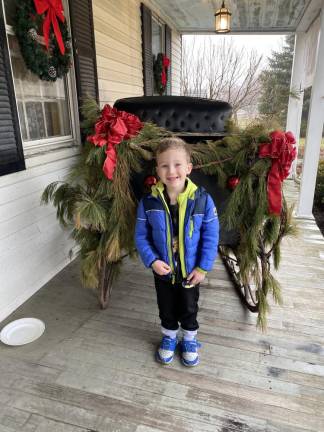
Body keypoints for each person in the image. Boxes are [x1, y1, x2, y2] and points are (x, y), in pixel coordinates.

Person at [135, 137, 219, 367]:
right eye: (164, 165)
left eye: (177, 164)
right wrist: (152, 260)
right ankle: (170, 336)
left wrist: (203, 267)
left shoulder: (203, 200)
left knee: (190, 306)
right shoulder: (148, 202)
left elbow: (211, 238)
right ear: (157, 170)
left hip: (191, 271)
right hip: (163, 270)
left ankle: (190, 338)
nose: (171, 170)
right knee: (166, 305)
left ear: (189, 168)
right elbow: (141, 236)